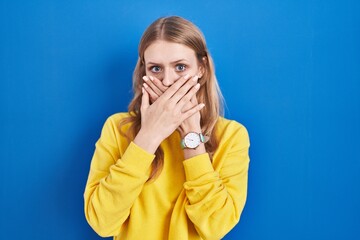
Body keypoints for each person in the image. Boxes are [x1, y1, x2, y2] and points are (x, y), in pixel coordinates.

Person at [84, 16, 250, 240]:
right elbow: (102, 222)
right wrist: (149, 136)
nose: (168, 80)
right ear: (144, 72)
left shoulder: (232, 136)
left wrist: (192, 137)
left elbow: (216, 227)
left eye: (180, 67)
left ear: (201, 68)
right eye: (155, 69)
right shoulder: (117, 128)